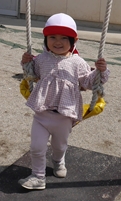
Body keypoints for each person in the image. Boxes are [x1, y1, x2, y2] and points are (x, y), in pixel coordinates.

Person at [18, 13, 109, 190]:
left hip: (64, 116)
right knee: (36, 147)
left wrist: (100, 72)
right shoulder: (41, 59)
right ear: (46, 39)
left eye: (64, 38)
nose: (57, 42)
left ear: (74, 41)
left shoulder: (77, 62)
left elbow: (88, 82)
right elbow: (32, 74)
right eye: (52, 37)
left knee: (59, 146)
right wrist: (25, 62)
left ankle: (59, 161)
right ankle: (38, 177)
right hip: (42, 113)